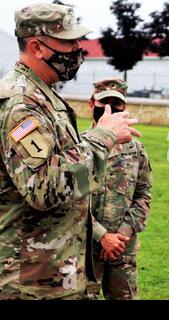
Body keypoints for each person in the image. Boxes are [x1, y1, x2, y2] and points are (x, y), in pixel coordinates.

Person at [0, 3, 140, 300]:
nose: (79, 48)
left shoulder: (43, 95)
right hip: (31, 282)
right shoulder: (22, 104)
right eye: (69, 42)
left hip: (55, 272)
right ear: (37, 47)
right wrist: (104, 136)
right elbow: (44, 186)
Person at [84, 79, 152, 300]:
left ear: (125, 108)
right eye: (104, 103)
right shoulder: (78, 146)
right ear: (91, 105)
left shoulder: (136, 149)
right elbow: (69, 201)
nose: (109, 109)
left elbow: (143, 194)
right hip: (85, 248)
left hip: (123, 249)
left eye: (116, 103)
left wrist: (121, 235)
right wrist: (102, 236)